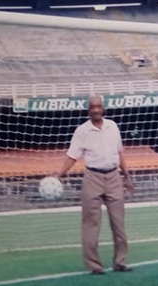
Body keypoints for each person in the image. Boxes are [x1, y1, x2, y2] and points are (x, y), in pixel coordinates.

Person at [54, 95, 134, 275]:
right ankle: (94, 265)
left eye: (99, 106)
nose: (96, 110)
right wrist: (59, 174)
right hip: (93, 178)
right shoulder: (82, 131)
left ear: (103, 108)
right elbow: (72, 156)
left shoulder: (112, 126)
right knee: (91, 223)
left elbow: (120, 153)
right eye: (93, 107)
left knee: (118, 222)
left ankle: (120, 262)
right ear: (88, 110)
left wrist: (127, 176)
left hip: (114, 177)